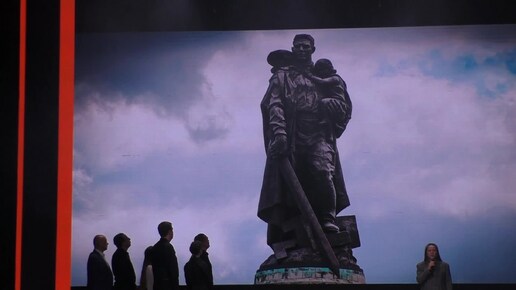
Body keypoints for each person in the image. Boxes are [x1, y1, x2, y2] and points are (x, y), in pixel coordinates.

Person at [258, 34, 352, 247]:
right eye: (298, 46)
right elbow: (274, 104)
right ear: (293, 48)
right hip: (292, 133)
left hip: (319, 133)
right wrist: (280, 133)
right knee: (293, 185)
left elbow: (343, 104)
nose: (301, 49)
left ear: (313, 49)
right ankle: (295, 229)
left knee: (322, 171)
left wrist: (333, 105)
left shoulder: (323, 74)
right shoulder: (283, 75)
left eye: (305, 46)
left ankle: (327, 218)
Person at [305, 58, 352, 130]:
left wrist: (310, 76)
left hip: (338, 102)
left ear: (328, 69)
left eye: (322, 70)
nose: (320, 73)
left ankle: (325, 120)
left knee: (324, 102)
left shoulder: (335, 78)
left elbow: (322, 82)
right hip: (333, 102)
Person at [151, 221, 179, 290]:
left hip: (157, 285)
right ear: (169, 231)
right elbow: (173, 270)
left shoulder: (155, 247)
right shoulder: (168, 247)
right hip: (168, 286)